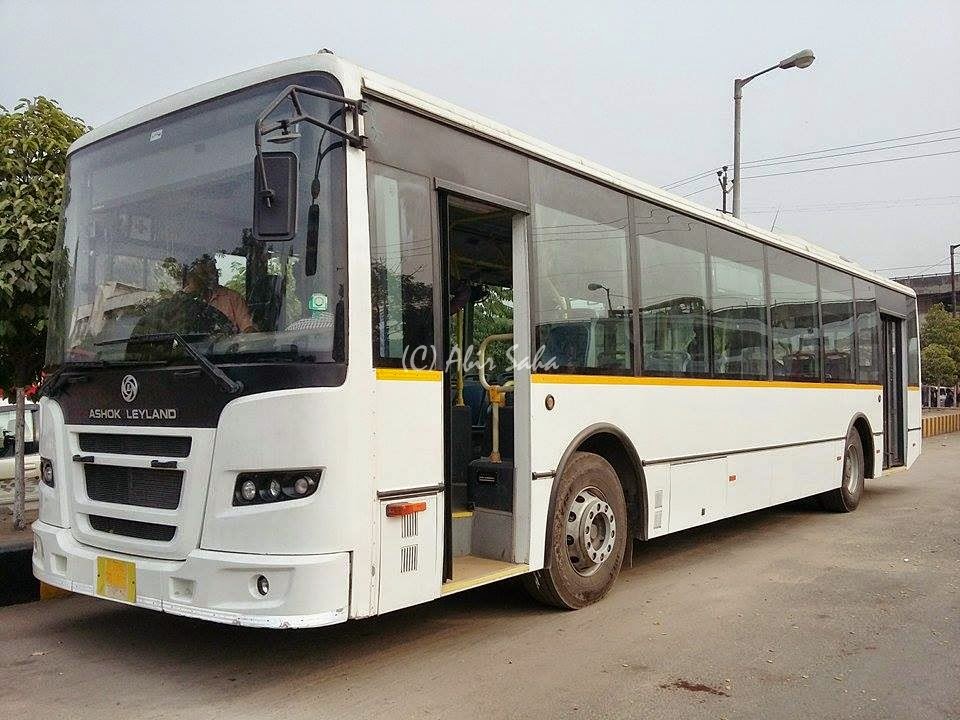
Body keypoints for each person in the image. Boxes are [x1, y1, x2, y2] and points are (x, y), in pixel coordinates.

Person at [182, 255, 256, 333]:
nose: (208, 278)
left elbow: (248, 328)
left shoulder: (233, 298)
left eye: (211, 273)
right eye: (202, 275)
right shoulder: (183, 300)